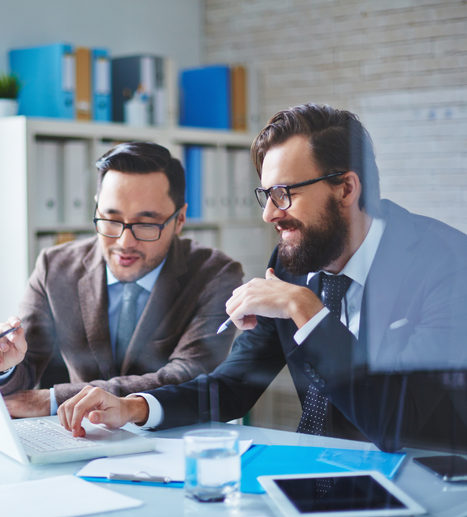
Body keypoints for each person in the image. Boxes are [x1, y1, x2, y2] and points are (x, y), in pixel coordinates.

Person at [58, 104, 467, 453]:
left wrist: (307, 310)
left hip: (429, 484)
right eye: (266, 195)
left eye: (284, 193)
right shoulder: (294, 261)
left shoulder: (448, 264)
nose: (269, 214)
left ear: (345, 188)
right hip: (314, 477)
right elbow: (234, 384)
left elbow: (397, 422)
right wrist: (135, 407)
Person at [0, 141, 243, 418]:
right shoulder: (54, 267)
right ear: (96, 210)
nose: (124, 242)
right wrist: (2, 364)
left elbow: (188, 376)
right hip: (81, 437)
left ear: (180, 220)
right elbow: (25, 367)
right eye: (111, 219)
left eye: (146, 224)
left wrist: (54, 399)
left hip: (173, 439)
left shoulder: (216, 275)